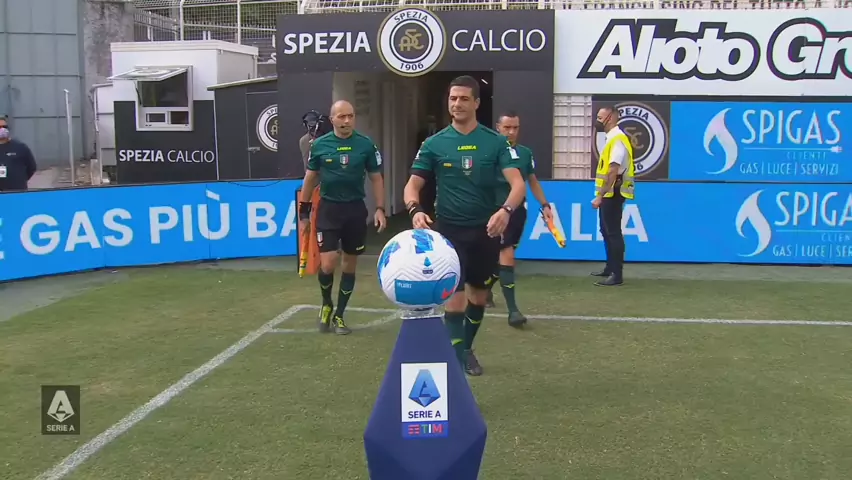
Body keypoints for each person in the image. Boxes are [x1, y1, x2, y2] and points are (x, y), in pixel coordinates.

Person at [403, 75, 527, 377]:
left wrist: (505, 211)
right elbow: (412, 186)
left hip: (486, 231)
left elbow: (518, 185)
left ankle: (466, 348)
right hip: (449, 233)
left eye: (463, 99)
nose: (457, 104)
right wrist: (415, 210)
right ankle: (455, 364)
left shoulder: (496, 142)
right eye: (452, 98)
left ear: (476, 103)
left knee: (478, 298)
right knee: (455, 300)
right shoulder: (434, 144)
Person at [298, 100, 387, 334]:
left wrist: (380, 208)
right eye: (341, 117)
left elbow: (376, 177)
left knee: (349, 263)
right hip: (328, 210)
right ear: (332, 119)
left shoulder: (366, 145)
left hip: (355, 210)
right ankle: (326, 304)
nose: (347, 121)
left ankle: (339, 315)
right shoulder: (320, 145)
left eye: (350, 116)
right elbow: (310, 178)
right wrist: (304, 212)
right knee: (328, 263)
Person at [485, 112, 553, 327]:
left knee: (504, 256)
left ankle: (485, 289)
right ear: (498, 127)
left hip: (518, 212)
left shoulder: (525, 153)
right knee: (507, 254)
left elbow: (532, 181)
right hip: (497, 211)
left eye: (515, 127)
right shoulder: (489, 152)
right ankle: (513, 311)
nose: (511, 132)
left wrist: (545, 204)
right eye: (507, 127)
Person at [591, 105, 635, 287]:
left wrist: (600, 196)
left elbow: (612, 170)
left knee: (613, 232)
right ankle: (610, 268)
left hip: (613, 192)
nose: (597, 121)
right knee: (605, 230)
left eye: (600, 117)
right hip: (610, 192)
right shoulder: (611, 138)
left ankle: (617, 274)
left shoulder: (617, 139)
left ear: (610, 118)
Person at [0, 116, 37, 192]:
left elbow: (31, 167)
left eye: (4, 127)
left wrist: (20, 180)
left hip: (17, 191)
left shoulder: (20, 147)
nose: (2, 129)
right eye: (0, 127)